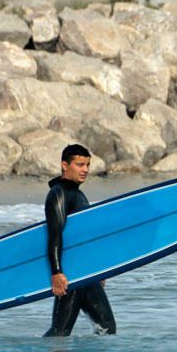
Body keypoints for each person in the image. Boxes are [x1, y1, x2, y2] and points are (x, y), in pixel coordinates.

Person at [43, 144, 116, 337]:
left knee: (107, 328)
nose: (85, 170)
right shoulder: (58, 194)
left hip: (85, 272)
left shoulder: (79, 195)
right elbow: (55, 233)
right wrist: (57, 272)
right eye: (80, 164)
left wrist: (97, 270)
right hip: (71, 273)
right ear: (65, 165)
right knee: (60, 332)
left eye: (87, 165)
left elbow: (84, 237)